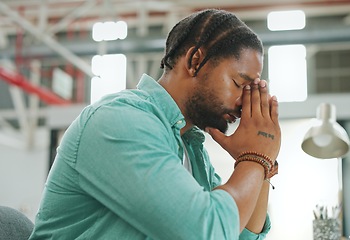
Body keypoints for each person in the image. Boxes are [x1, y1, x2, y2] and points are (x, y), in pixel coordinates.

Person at [29, 8, 281, 240]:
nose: (243, 103)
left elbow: (241, 236)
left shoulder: (190, 148)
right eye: (239, 84)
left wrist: (263, 165)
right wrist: (254, 157)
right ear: (195, 60)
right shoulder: (121, 122)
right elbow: (207, 232)